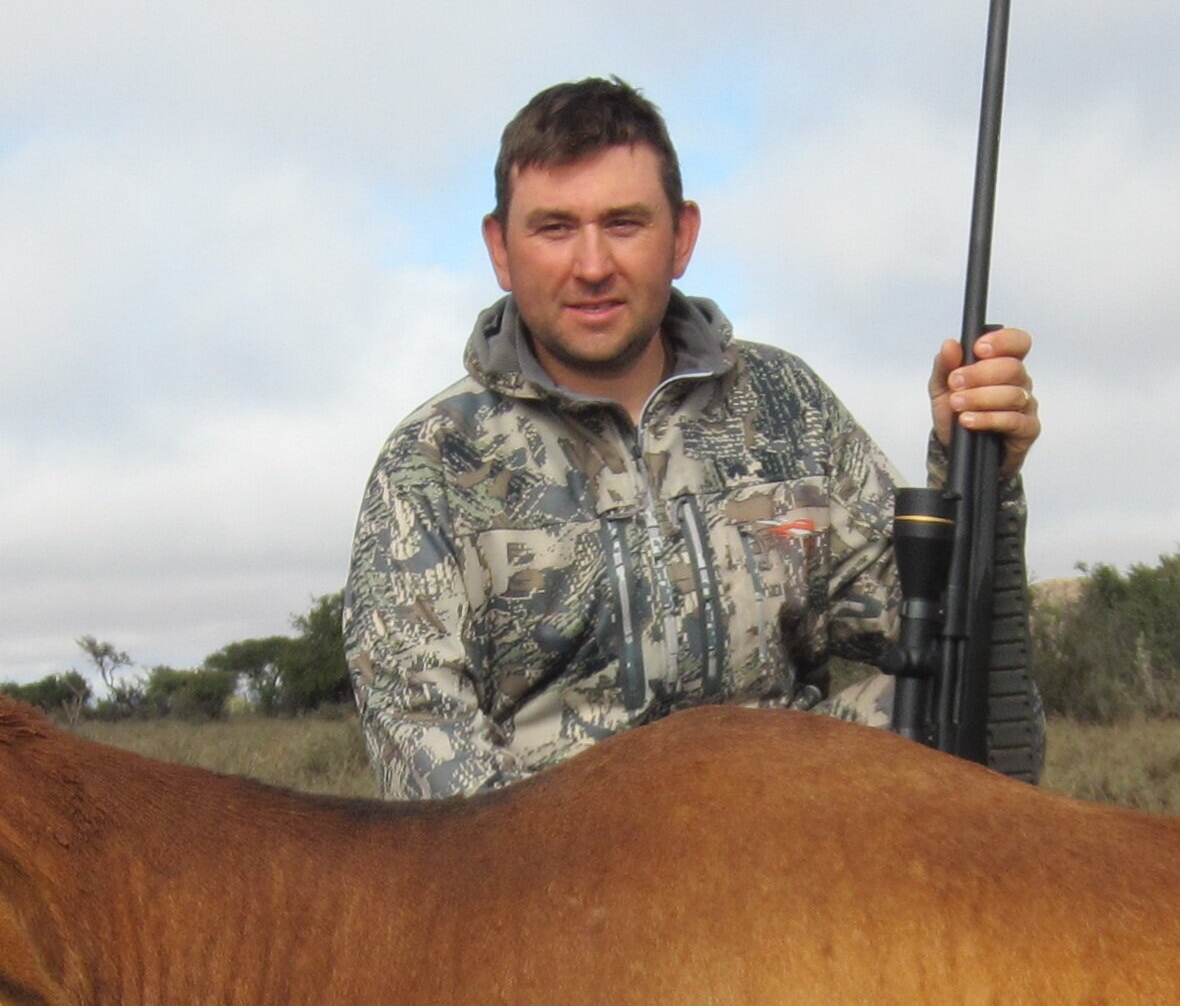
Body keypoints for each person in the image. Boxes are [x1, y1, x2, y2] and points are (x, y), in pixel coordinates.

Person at [343, 77, 1045, 801]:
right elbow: (425, 746)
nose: (591, 267)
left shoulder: (788, 404)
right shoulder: (430, 464)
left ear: (681, 237)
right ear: (500, 246)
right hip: (565, 887)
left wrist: (980, 472)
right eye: (554, 228)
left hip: (802, 848)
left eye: (624, 224)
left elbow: (933, 648)